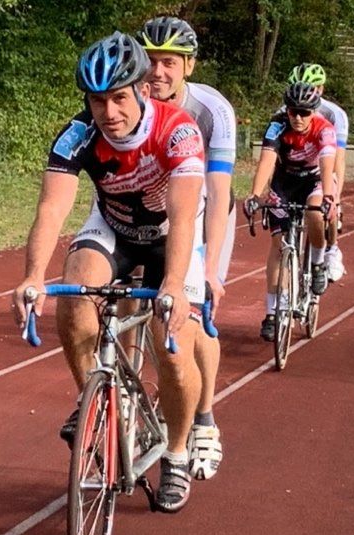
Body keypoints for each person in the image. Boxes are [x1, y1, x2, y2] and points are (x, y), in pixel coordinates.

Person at [10, 31, 206, 513]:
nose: (109, 113)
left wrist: (175, 288)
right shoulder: (77, 135)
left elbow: (183, 218)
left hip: (169, 236)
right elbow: (52, 209)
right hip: (113, 225)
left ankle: (177, 453)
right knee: (75, 292)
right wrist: (33, 276)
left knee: (173, 351)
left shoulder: (177, 131)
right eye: (97, 101)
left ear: (142, 90)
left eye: (118, 98)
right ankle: (94, 400)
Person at [137, 16, 236, 482]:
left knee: (191, 320)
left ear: (188, 66)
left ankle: (204, 419)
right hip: (145, 214)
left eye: (169, 63)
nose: (157, 72)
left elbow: (216, 196)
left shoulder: (211, 110)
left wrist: (211, 267)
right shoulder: (125, 100)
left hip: (199, 215)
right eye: (151, 60)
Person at [245, 82, 337, 342]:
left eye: (304, 113)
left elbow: (327, 164)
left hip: (314, 180)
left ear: (314, 112)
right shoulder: (277, 126)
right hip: (284, 182)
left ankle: (318, 263)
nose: (298, 117)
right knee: (278, 244)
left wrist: (329, 197)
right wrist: (254, 195)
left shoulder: (324, 130)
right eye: (293, 111)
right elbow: (267, 161)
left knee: (315, 214)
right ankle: (273, 312)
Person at [287, 63, 349, 283]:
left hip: (322, 168)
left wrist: (335, 198)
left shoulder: (335, 115)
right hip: (294, 170)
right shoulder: (288, 111)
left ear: (320, 89)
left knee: (324, 207)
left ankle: (332, 250)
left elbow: (337, 160)